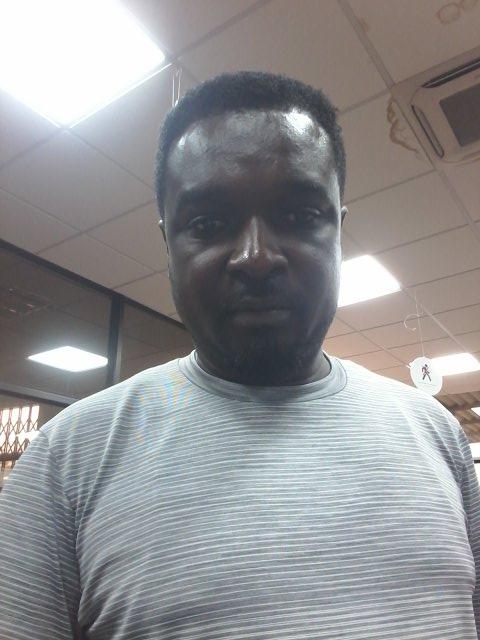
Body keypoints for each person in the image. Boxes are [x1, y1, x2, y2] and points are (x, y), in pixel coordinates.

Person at [0, 71, 479, 640]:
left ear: (338, 232)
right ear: (168, 245)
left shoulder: (436, 435)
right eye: (208, 223)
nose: (256, 257)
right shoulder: (66, 461)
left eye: (299, 216)